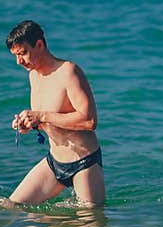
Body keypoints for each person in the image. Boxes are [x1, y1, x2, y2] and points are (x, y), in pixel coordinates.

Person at [6, 20, 105, 207]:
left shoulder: (69, 72)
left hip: (84, 163)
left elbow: (89, 120)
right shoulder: (33, 75)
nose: (19, 61)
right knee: (10, 207)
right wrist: (29, 123)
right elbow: (49, 117)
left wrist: (41, 116)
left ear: (40, 45)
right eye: (16, 56)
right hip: (55, 162)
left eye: (22, 54)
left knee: (91, 224)